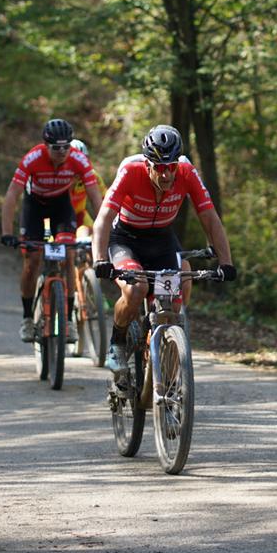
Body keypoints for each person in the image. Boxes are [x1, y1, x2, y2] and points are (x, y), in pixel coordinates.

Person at [91, 124, 236, 372]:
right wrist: (100, 259)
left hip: (162, 240)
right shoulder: (130, 172)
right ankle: (117, 342)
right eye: (159, 168)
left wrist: (226, 262)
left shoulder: (187, 173)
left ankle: (163, 359)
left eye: (171, 167)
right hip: (126, 239)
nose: (167, 175)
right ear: (147, 165)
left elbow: (210, 219)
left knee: (175, 296)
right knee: (137, 290)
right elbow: (103, 218)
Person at [0, 119, 104, 343]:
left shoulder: (78, 159)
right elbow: (11, 195)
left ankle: (67, 321)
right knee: (33, 260)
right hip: (34, 206)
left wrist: (103, 228)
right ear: (46, 145)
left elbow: (95, 196)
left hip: (61, 206)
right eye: (56, 148)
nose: (62, 152)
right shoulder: (33, 158)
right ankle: (28, 317)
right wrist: (7, 232)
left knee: (69, 255)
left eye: (67, 146)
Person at [67, 138, 106, 240]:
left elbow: (105, 200)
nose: (79, 166)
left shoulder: (93, 176)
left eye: (83, 161)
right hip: (54, 217)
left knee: (90, 238)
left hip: (80, 216)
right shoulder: (59, 176)